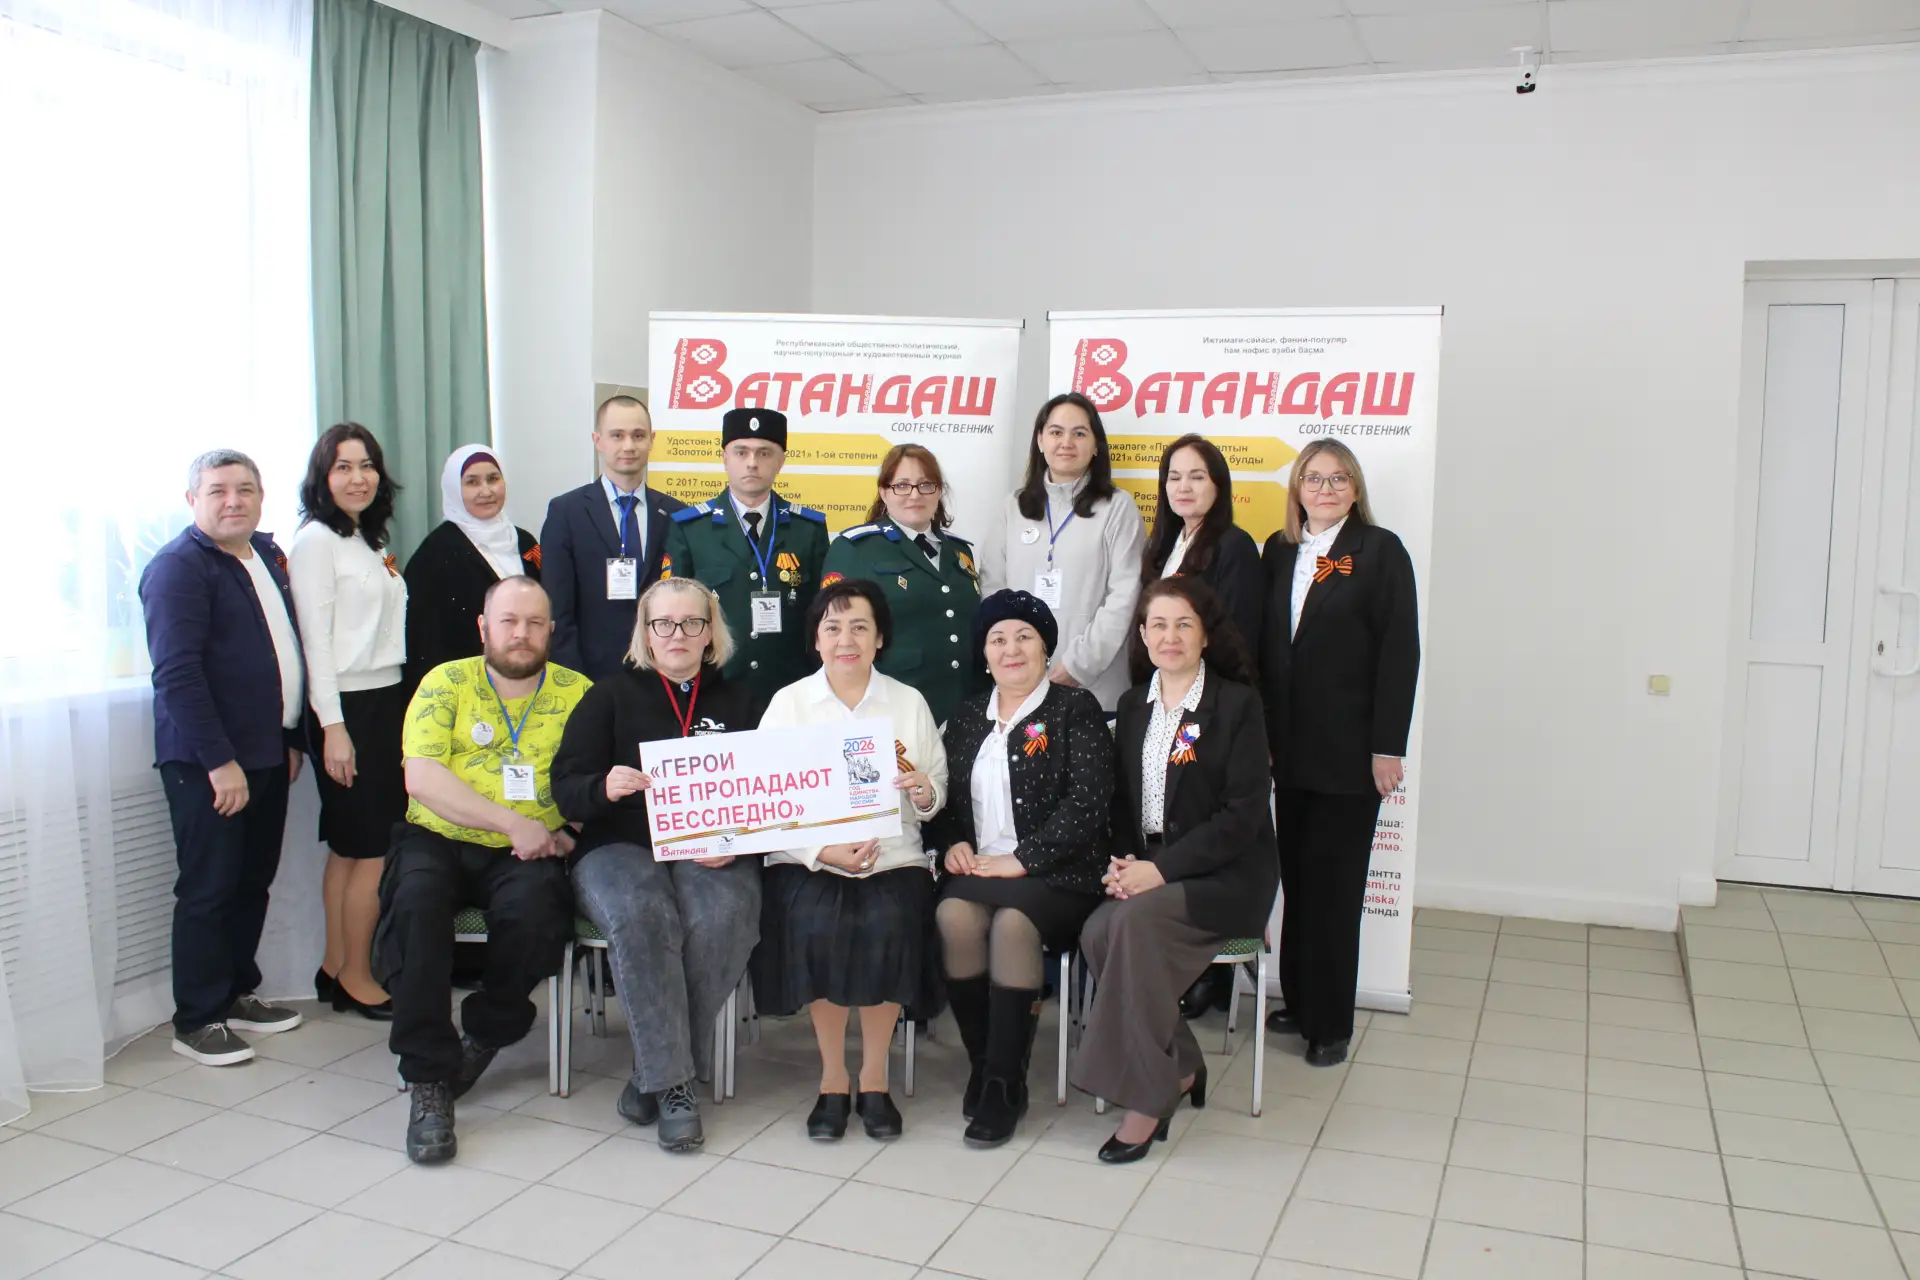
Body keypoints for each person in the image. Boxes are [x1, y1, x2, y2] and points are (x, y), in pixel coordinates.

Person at [374, 576, 587, 1164]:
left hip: (529, 852)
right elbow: (422, 777)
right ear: (484, 628)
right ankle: (427, 1079)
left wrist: (573, 833)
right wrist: (510, 822)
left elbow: (595, 780)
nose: (521, 634)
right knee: (414, 907)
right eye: (508, 621)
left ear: (551, 630)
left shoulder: (579, 693)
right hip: (437, 837)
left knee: (539, 915)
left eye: (534, 623)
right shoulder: (446, 683)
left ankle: (485, 1033)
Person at [551, 578, 760, 1153]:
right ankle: (676, 1087)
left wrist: (740, 842)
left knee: (724, 915)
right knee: (643, 914)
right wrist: (603, 786)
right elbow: (565, 789)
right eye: (662, 623)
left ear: (710, 632)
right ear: (644, 633)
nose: (677, 634)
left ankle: (654, 1072)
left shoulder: (744, 702)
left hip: (710, 847)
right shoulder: (608, 696)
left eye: (692, 622)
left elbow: (770, 797)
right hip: (619, 846)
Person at [1073, 578, 1277, 1164]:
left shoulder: (1237, 705)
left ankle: (1146, 1099)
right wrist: (1124, 865)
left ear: (1205, 635)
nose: (1171, 636)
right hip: (1152, 868)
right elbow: (1121, 803)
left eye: (1184, 624)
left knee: (1131, 926)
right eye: (1158, 625)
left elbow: (1242, 817)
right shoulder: (1133, 705)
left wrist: (1159, 872)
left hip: (1226, 874)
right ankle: (1182, 1064)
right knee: (1096, 930)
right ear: (1142, 635)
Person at [751, 579, 947, 1143]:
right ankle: (834, 1078)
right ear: (816, 639)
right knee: (819, 922)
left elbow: (937, 788)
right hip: (809, 859)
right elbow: (763, 803)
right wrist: (821, 851)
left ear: (879, 637)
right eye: (833, 627)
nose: (846, 640)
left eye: (860, 627)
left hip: (895, 857)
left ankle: (876, 1078)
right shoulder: (789, 704)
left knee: (890, 921)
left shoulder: (908, 702)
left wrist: (924, 792)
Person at [923, 589, 1112, 1148]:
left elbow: (1088, 805)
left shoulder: (1075, 710)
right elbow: (944, 802)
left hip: (1059, 873)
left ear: (1045, 648)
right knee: (954, 917)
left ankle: (1006, 1085)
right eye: (998, 639)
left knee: (1011, 926)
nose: (1011, 650)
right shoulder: (964, 717)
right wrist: (952, 843)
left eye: (1024, 637)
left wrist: (1022, 860)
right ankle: (985, 1065)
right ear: (984, 654)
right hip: (981, 869)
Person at [141, 449, 308, 1065]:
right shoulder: (178, 568)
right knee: (209, 889)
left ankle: (236, 992)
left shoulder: (264, 555)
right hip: (208, 762)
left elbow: (284, 650)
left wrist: (290, 739)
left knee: (251, 882)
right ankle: (197, 1018)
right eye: (217, 491)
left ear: (261, 497)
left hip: (266, 752)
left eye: (245, 489)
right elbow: (177, 675)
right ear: (193, 500)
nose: (233, 500)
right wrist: (219, 762)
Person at [1258, 439, 1420, 1067]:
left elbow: (1399, 653)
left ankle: (1330, 1023)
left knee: (1336, 889)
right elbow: (1269, 650)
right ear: (1297, 488)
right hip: (1288, 752)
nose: (1325, 489)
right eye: (1313, 478)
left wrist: (1387, 748)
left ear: (1355, 489)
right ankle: (1299, 1000)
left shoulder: (1380, 552)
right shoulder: (1279, 551)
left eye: (1338, 478)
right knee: (1298, 882)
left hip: (1352, 756)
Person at [1139, 434, 1263, 1019]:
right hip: (1163, 698)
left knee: (1203, 819)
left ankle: (1204, 971)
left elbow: (1235, 634)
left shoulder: (1233, 546)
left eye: (1197, 476)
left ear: (1219, 485)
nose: (1183, 487)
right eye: (1174, 476)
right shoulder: (1165, 542)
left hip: (1210, 709)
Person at [289, 423, 408, 1021]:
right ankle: (360, 977)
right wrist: (333, 727)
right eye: (343, 467)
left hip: (382, 700)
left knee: (348, 848)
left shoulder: (365, 539)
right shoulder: (316, 541)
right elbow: (315, 643)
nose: (358, 478)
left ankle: (336, 965)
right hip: (349, 710)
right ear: (322, 477)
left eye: (366, 466)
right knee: (372, 849)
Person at [979, 392, 1144, 713]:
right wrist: (1015, 657)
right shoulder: (1014, 506)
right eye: (1056, 432)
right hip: (1022, 687)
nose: (1066, 442)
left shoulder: (1117, 507)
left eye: (1079, 433)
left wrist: (1079, 665)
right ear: (1040, 441)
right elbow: (993, 588)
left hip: (1095, 689)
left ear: (1096, 446)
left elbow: (1125, 596)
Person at [662, 407, 830, 714]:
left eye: (764, 453)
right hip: (715, 688)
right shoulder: (690, 529)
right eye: (741, 452)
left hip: (791, 691)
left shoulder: (808, 529)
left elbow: (822, 614)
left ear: (781, 461)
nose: (752, 462)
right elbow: (674, 612)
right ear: (724, 458)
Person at [820, 444, 982, 725]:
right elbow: (833, 635)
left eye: (926, 485)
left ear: (939, 491)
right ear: (884, 492)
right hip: (892, 710)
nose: (915, 495)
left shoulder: (960, 551)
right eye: (902, 486)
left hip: (964, 708)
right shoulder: (855, 548)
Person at [543, 395, 685, 682]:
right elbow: (558, 610)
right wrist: (573, 681)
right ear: (598, 440)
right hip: (591, 676)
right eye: (617, 435)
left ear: (652, 440)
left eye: (638, 435)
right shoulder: (566, 512)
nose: (628, 446)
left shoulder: (676, 514)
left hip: (662, 674)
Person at [404, 445, 543, 687]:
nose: (486, 491)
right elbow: (423, 640)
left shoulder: (525, 543)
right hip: (465, 687)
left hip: (529, 677)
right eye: (472, 482)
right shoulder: (434, 553)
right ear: (454, 490)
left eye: (493, 479)